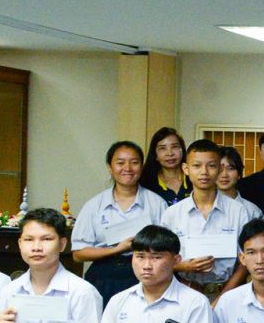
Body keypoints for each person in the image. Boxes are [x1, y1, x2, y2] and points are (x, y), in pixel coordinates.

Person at [73, 140, 168, 304]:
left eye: (134, 162)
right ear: (110, 167)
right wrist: (116, 249)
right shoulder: (94, 206)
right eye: (120, 163)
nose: (128, 168)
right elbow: (78, 254)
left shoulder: (157, 203)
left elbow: (168, 247)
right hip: (105, 277)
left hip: (146, 275)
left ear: (142, 166)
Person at [160, 138, 252, 297]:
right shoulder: (172, 214)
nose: (204, 172)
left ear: (220, 168)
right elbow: (160, 259)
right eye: (196, 166)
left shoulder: (239, 211)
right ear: (186, 169)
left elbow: (246, 260)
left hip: (229, 293)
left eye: (211, 166)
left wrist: (223, 296)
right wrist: (183, 267)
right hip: (184, 291)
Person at [139, 126, 190, 205]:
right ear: (155, 155)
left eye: (174, 147)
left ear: (182, 150)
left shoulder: (195, 178)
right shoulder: (145, 184)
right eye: (162, 148)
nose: (170, 153)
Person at [215, 146, 263, 220]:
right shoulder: (201, 207)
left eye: (230, 169)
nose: (224, 175)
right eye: (219, 169)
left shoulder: (252, 212)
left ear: (239, 174)